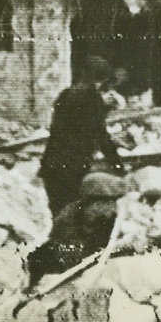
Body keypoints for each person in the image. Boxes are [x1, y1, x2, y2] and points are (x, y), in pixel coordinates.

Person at [40, 57, 124, 217]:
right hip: (73, 166)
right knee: (72, 213)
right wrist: (117, 165)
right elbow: (101, 135)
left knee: (57, 213)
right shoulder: (92, 98)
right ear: (101, 79)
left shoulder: (65, 94)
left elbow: (59, 128)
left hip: (51, 163)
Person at [26, 172, 126, 287]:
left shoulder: (116, 220)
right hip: (69, 271)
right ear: (90, 202)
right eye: (105, 202)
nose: (112, 208)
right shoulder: (68, 216)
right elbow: (67, 253)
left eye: (113, 202)